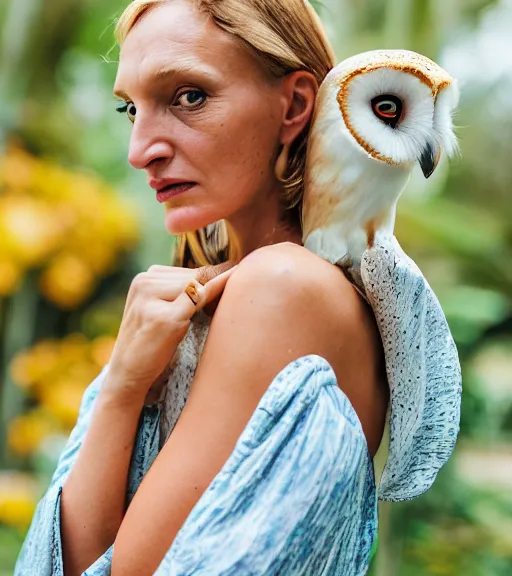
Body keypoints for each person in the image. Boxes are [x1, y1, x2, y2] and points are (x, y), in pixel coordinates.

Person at [16, 1, 391, 574]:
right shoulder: (243, 290)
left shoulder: (281, 287)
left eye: (188, 97)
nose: (141, 151)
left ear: (293, 105)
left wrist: (122, 386)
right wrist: (125, 381)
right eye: (130, 108)